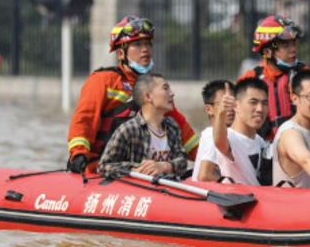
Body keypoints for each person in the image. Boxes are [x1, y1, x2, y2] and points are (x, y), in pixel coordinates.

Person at [67, 16, 199, 174]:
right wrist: (79, 153)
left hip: (142, 169)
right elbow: (84, 119)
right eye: (137, 44)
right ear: (121, 54)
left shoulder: (154, 86)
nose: (145, 49)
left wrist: (205, 156)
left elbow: (180, 128)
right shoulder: (103, 81)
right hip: (103, 168)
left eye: (147, 43)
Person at [98, 74, 187, 178]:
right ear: (148, 97)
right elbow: (104, 167)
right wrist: (135, 170)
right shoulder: (128, 130)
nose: (172, 94)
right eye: (165, 89)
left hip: (167, 191)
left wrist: (165, 166)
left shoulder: (172, 126)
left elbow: (183, 161)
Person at [237, 15, 306, 140]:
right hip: (261, 151)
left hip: (301, 146)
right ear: (267, 52)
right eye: (286, 46)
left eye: (294, 44)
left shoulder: (306, 76)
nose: (293, 50)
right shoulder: (249, 80)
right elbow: (234, 124)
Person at [212, 78, 270, 186]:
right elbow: (219, 142)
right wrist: (221, 113)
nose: (260, 109)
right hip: (238, 200)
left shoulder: (260, 141)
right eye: (253, 102)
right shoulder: (230, 138)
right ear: (236, 106)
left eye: (264, 103)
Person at [192, 80, 236, 182]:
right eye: (224, 103)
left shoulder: (231, 135)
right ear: (209, 109)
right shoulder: (211, 134)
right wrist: (234, 189)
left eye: (232, 103)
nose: (230, 109)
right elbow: (204, 176)